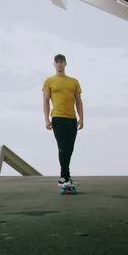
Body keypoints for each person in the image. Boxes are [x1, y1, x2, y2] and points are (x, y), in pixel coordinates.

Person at [42, 54, 84, 187]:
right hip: (58, 118)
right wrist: (47, 120)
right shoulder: (49, 81)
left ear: (66, 64)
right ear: (54, 64)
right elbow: (45, 101)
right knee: (63, 147)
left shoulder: (74, 81)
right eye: (57, 62)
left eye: (62, 62)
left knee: (70, 148)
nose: (59, 64)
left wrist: (81, 118)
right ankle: (63, 178)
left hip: (72, 119)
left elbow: (78, 101)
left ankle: (66, 176)